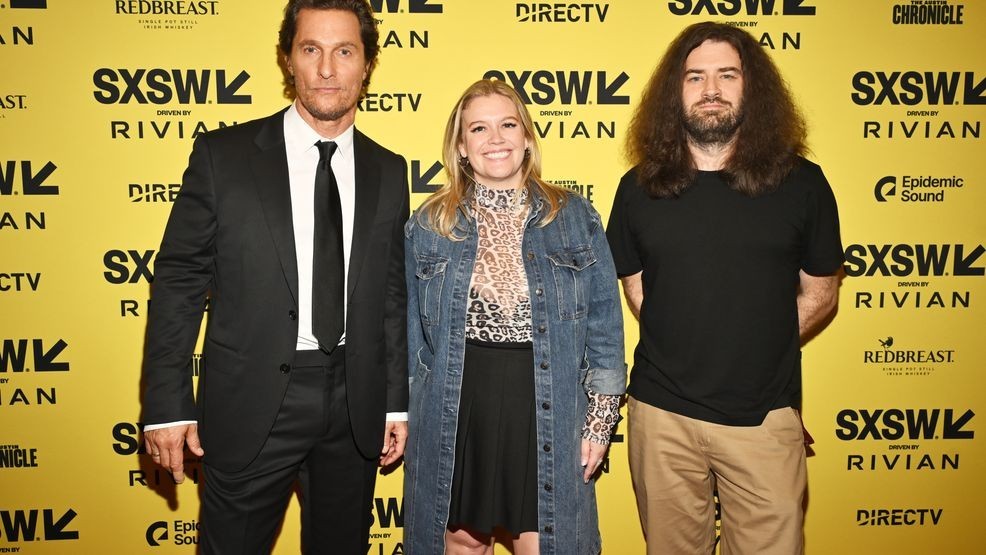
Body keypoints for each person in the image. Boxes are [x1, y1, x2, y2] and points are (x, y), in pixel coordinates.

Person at [140, 1, 409, 552]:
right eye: (311, 49)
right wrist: (166, 402)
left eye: (344, 51)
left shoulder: (389, 169)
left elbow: (391, 296)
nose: (327, 69)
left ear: (367, 64)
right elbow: (179, 280)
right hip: (251, 401)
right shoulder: (224, 156)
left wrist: (394, 402)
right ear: (289, 59)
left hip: (355, 405)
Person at [607, 22, 843, 555]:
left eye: (727, 75)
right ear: (675, 91)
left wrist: (758, 345)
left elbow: (821, 292)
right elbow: (638, 287)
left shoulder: (803, 184)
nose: (710, 89)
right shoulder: (639, 188)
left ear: (751, 87)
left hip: (764, 418)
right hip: (662, 417)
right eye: (695, 77)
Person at [403, 79, 625, 555]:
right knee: (461, 543)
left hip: (549, 406)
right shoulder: (429, 224)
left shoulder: (574, 217)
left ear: (526, 137)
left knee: (546, 545)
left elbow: (606, 328)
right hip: (457, 408)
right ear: (461, 147)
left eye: (507, 124)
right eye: (478, 129)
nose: (495, 139)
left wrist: (600, 422)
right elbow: (410, 342)